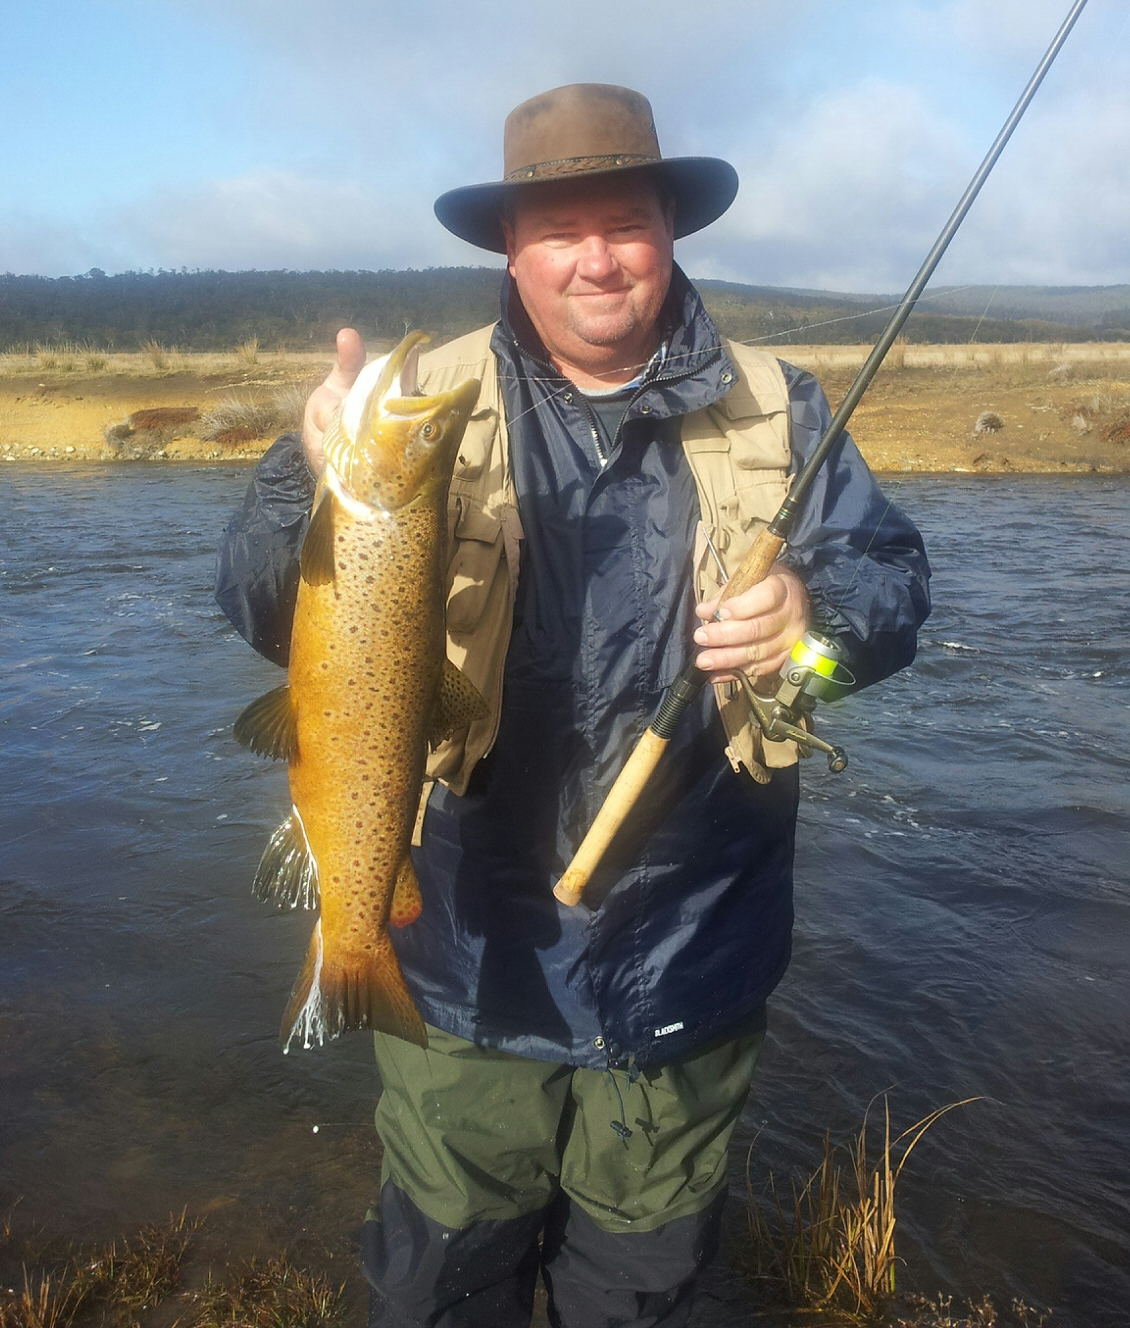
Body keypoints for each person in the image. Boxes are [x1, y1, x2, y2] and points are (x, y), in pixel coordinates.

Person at [215, 83, 930, 1328]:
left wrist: (813, 630)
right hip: (462, 964)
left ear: (670, 233)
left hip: (691, 964)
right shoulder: (411, 404)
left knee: (643, 1297)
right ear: (512, 247)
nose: (598, 259)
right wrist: (304, 480)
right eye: (560, 230)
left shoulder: (783, 406)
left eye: (627, 223)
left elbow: (894, 597)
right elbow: (261, 607)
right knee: (443, 1289)